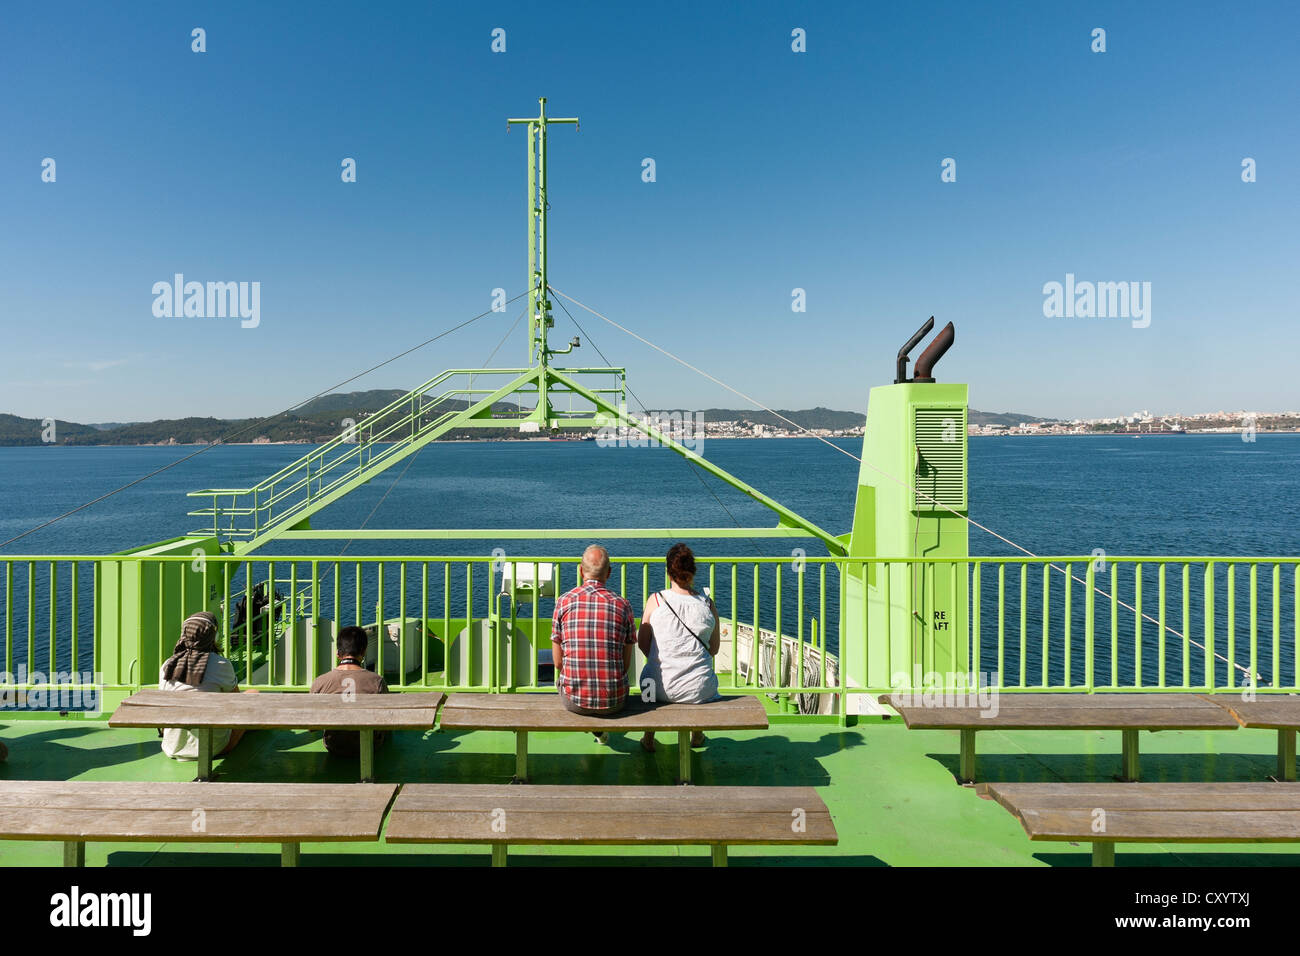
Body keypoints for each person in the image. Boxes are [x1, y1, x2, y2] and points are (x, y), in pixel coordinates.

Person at [637, 543, 721, 753]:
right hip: (699, 690)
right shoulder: (707, 605)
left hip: (656, 688)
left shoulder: (656, 600)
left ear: (668, 573)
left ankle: (648, 737)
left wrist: (659, 657)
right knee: (699, 677)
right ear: (693, 572)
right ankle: (697, 733)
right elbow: (714, 649)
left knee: (649, 676)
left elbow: (642, 643)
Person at [551, 544, 635, 743]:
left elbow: (557, 663)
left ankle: (597, 730)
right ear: (609, 573)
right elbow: (626, 662)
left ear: (581, 571)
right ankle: (599, 729)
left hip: (574, 701)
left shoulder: (564, 601)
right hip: (615, 700)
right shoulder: (623, 604)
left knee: (562, 681)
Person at [159, 611, 257, 760]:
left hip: (172, 746)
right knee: (253, 694)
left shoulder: (167, 665)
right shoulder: (221, 664)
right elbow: (238, 702)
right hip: (213, 747)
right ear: (213, 636)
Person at [310, 625, 389, 757]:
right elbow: (387, 717)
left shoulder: (320, 681)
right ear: (363, 652)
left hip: (334, 744)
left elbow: (311, 726)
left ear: (338, 653)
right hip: (370, 745)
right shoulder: (376, 681)